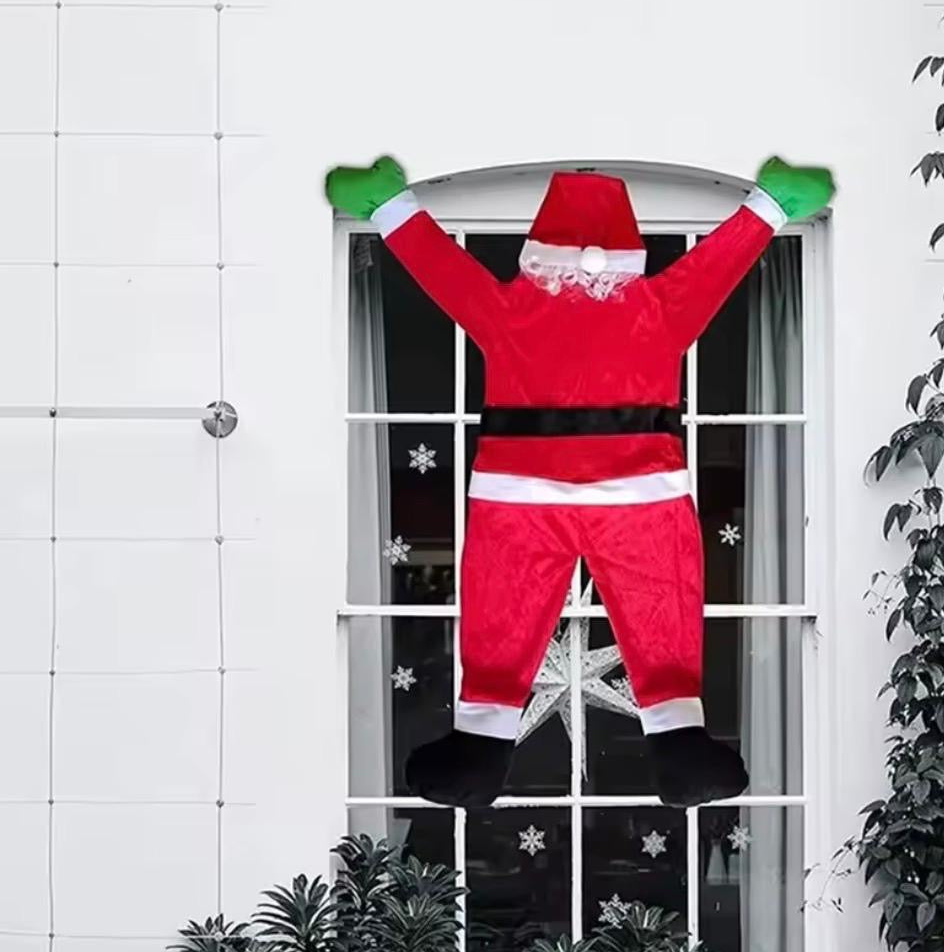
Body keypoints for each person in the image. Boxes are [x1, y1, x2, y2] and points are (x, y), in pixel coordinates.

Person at [325, 155, 835, 806]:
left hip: (522, 492)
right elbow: (716, 268)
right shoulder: (656, 305)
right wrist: (768, 205)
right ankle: (676, 743)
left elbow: (443, 272)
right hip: (638, 493)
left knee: (500, 610)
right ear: (629, 251)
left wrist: (389, 207)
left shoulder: (514, 307)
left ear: (537, 249)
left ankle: (480, 746)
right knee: (662, 607)